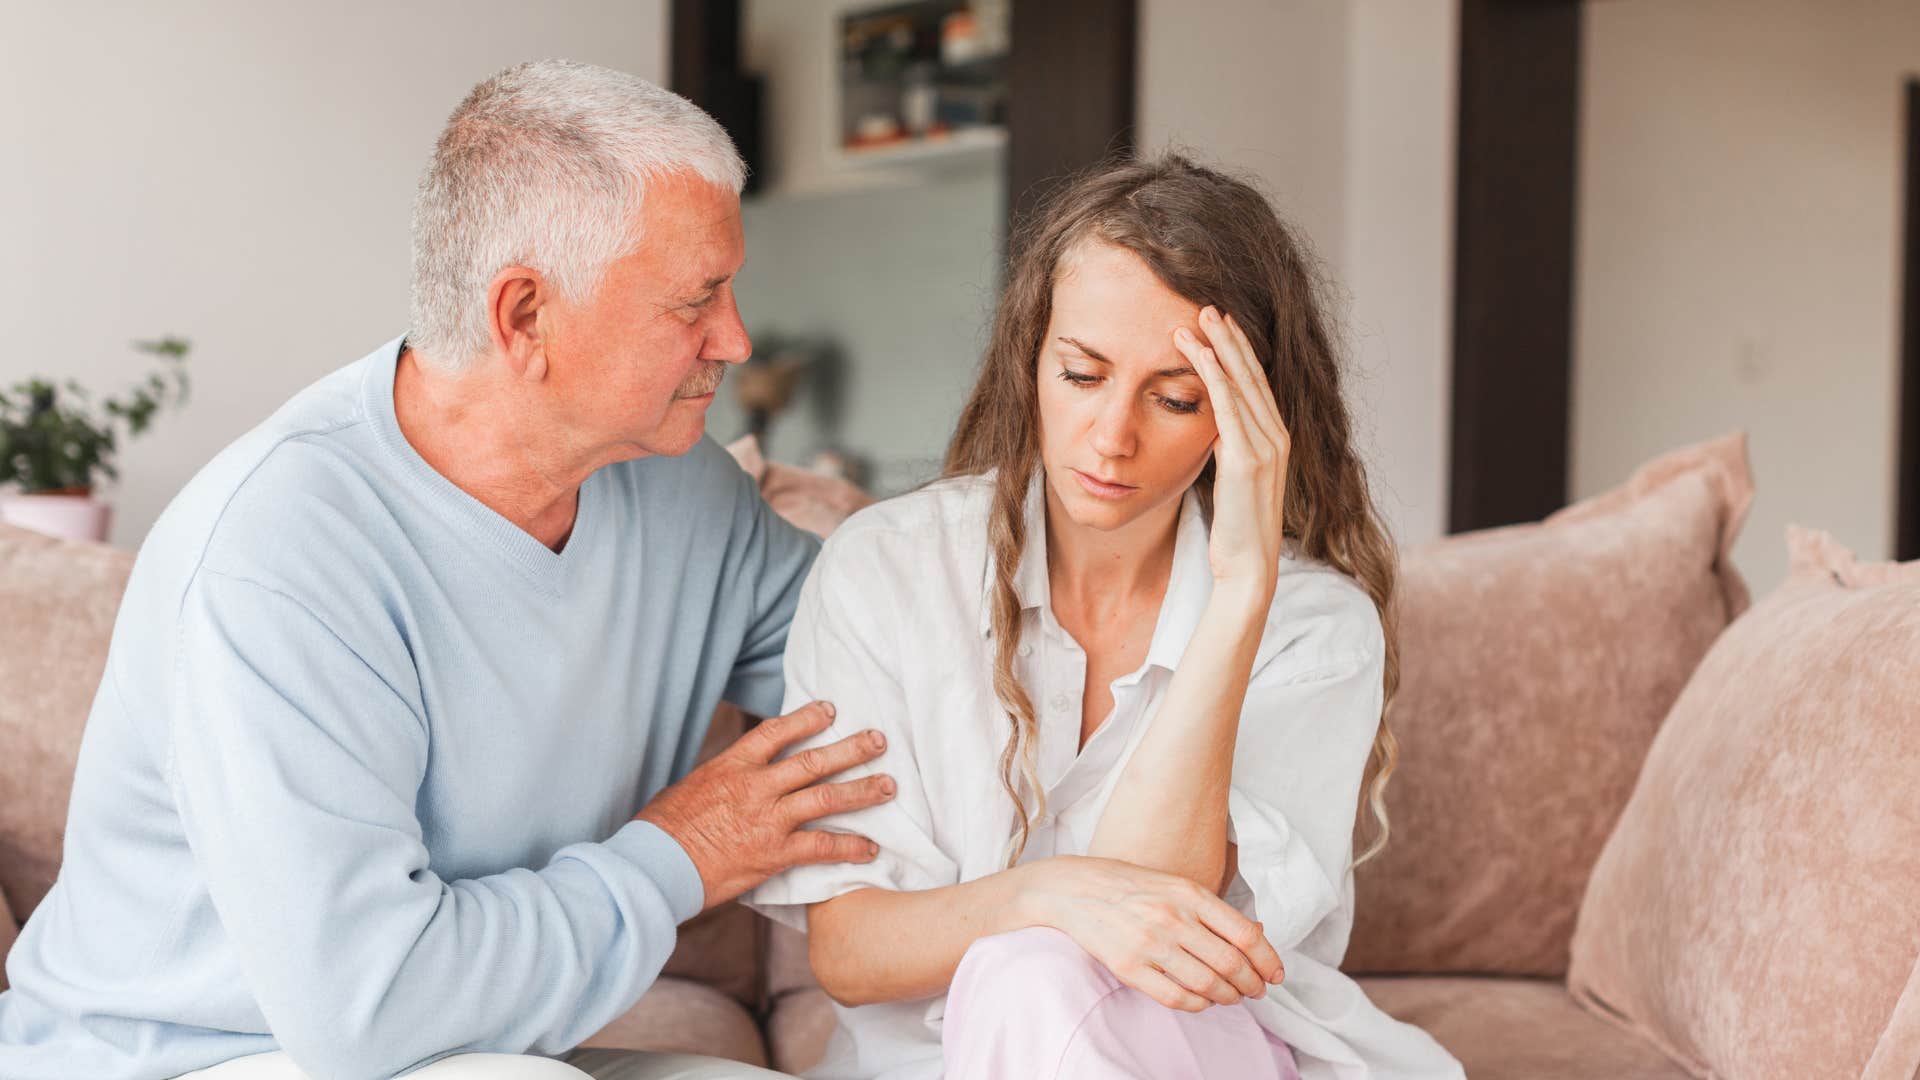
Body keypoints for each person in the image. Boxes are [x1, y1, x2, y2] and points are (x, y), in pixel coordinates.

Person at [0, 61, 896, 1080]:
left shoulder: (681, 491)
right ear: (523, 317)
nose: (733, 339)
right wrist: (680, 855)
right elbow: (369, 1011)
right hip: (183, 1059)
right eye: (694, 300)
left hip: (458, 1048)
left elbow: (887, 678)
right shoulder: (280, 552)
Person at [743, 156, 1469, 1079]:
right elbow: (849, 953)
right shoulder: (889, 569)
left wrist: (1240, 591)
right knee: (1027, 971)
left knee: (1034, 977)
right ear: (1030, 359)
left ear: (1243, 420)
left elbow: (1154, 926)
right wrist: (1056, 895)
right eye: (1082, 375)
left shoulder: (1311, 625)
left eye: (1175, 400)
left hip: (1197, 1052)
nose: (1112, 437)